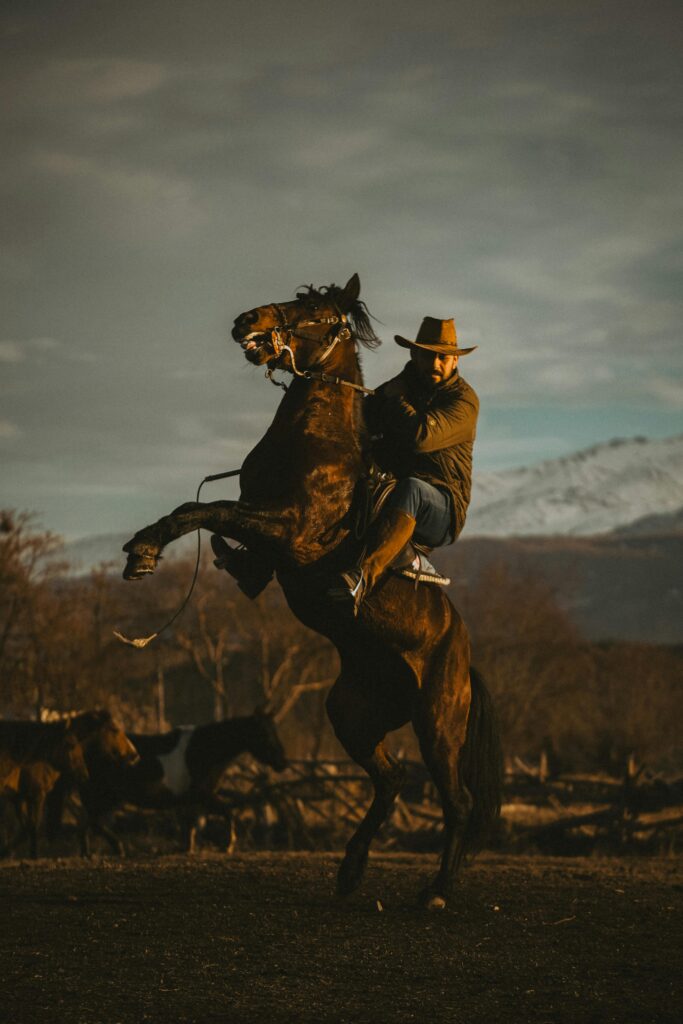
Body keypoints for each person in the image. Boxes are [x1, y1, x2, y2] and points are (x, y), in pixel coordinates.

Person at [329, 315, 479, 610]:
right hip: (392, 489)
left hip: (442, 507)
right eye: (428, 355)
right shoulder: (401, 386)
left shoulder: (464, 402)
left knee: (413, 489)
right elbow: (361, 419)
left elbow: (421, 438)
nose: (435, 363)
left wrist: (396, 399)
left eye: (443, 357)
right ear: (415, 354)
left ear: (454, 362)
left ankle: (363, 578)